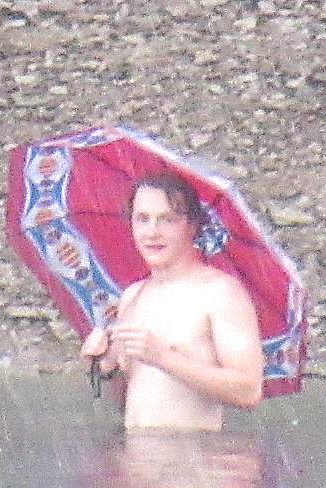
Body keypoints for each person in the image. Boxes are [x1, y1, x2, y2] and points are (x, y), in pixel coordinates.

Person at [80, 173, 265, 432]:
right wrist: (105, 367)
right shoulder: (133, 296)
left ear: (192, 226)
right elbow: (132, 400)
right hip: (136, 450)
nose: (152, 232)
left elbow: (249, 391)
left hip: (195, 452)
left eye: (167, 219)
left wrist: (163, 357)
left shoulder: (220, 292)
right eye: (142, 219)